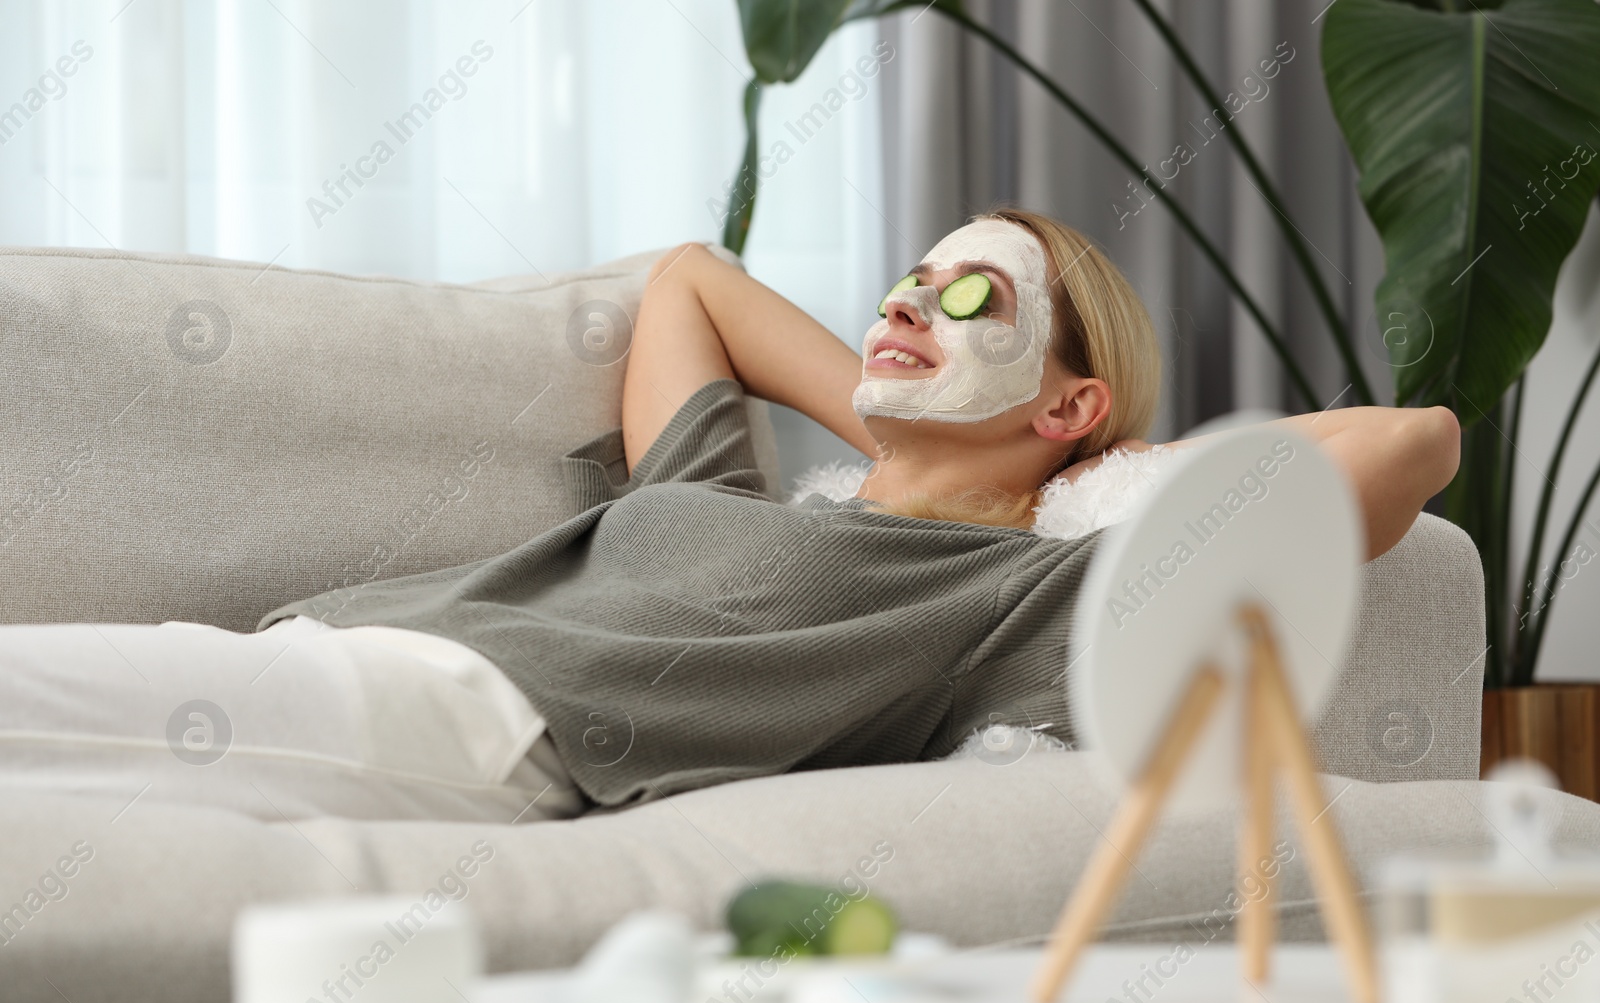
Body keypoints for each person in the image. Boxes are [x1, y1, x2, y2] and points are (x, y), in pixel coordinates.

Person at [0, 209, 1459, 825]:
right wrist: (902, 396)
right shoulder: (717, 495)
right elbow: (689, 279)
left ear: (1071, 408)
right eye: (908, 277)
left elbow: (1413, 443)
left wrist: (1092, 478)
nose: (906, 301)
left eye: (973, 299)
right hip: (323, 655)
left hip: (471, 730)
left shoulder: (1019, 591)